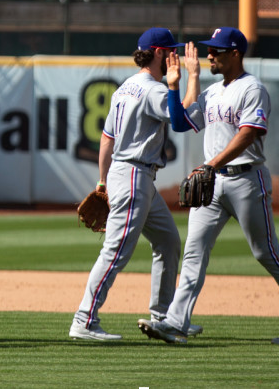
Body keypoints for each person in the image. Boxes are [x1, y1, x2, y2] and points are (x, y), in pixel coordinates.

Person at [141, 27, 279, 345]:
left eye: (217, 51)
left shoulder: (253, 88)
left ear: (235, 53)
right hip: (212, 183)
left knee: (266, 253)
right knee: (194, 252)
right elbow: (181, 123)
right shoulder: (210, 92)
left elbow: (249, 133)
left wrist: (211, 163)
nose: (210, 54)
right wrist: (179, 83)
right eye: (209, 49)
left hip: (247, 180)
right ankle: (176, 323)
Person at [69, 30, 196, 342]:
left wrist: (102, 180)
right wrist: (191, 77)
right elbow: (181, 118)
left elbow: (107, 138)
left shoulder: (125, 88)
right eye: (170, 51)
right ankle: (84, 320)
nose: (174, 56)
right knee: (115, 253)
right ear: (156, 52)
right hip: (134, 176)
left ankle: (163, 316)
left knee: (167, 241)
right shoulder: (152, 90)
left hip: (130, 176)